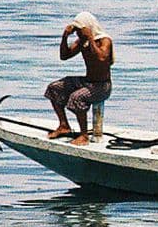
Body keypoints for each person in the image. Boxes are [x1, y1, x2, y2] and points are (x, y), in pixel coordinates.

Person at [45, 11, 113, 146]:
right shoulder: (82, 42)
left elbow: (102, 58)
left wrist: (91, 39)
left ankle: (84, 135)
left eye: (79, 30)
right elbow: (64, 56)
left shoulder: (104, 40)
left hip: (101, 86)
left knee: (77, 97)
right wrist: (65, 36)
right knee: (54, 87)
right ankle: (64, 125)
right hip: (87, 81)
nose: (77, 33)